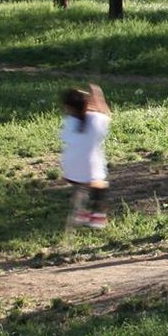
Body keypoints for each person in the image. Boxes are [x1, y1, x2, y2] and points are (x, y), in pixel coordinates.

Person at [60, 84, 112, 230]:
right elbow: (107, 114)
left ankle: (81, 212)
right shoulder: (96, 119)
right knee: (99, 184)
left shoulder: (69, 122)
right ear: (87, 104)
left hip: (70, 167)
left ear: (68, 108)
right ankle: (97, 217)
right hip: (90, 167)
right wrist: (98, 97)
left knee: (82, 183)